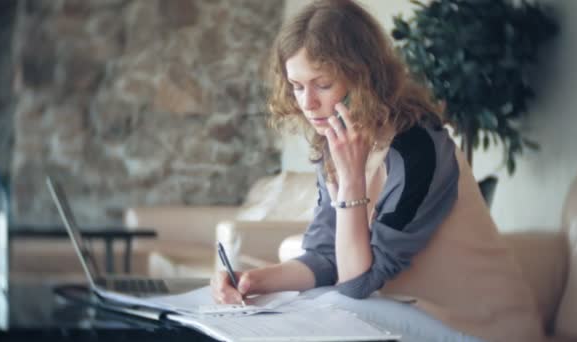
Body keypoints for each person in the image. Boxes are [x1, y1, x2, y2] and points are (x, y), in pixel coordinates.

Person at [211, 0, 544, 340]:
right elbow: (327, 256)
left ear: (363, 77)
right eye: (297, 86)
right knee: (305, 305)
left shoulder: (419, 147)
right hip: (407, 315)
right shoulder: (336, 143)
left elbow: (356, 284)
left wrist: (352, 180)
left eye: (322, 84)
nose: (307, 103)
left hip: (481, 328)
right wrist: (253, 280)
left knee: (335, 308)